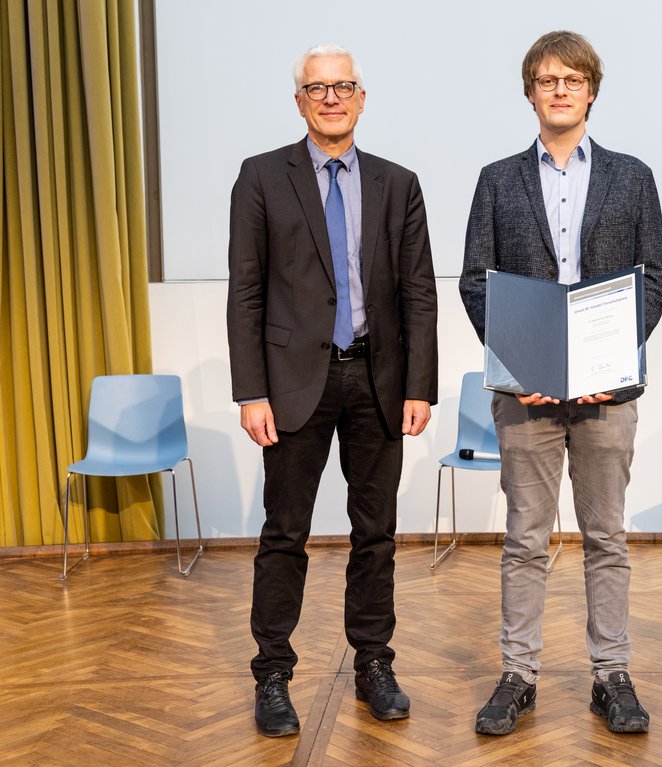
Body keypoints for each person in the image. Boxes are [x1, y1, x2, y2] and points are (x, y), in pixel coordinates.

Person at [459, 30, 662, 737]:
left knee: (606, 536)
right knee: (524, 538)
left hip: (609, 394)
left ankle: (611, 675)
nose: (558, 90)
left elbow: (655, 282)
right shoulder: (496, 179)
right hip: (527, 394)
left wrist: (608, 365)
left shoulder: (633, 177)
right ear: (529, 93)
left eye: (571, 79)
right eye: (546, 80)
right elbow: (476, 282)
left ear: (590, 91)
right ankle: (518, 674)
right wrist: (526, 364)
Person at [227, 43, 438, 738]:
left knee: (374, 534)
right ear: (299, 102)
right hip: (292, 385)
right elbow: (247, 293)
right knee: (284, 532)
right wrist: (250, 391)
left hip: (377, 379)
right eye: (317, 88)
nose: (330, 97)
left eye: (342, 85)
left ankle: (374, 661)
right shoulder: (261, 178)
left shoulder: (397, 183)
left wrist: (419, 384)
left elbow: (418, 294)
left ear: (361, 97)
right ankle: (273, 672)